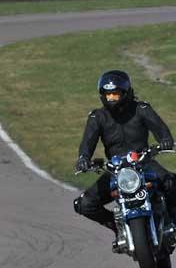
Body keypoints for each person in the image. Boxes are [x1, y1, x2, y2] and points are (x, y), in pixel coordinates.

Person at [74, 70, 176, 237]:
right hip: (116, 170)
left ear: (126, 92)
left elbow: (160, 129)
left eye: (115, 94)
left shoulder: (141, 109)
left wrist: (165, 140)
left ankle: (172, 222)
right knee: (84, 204)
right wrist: (83, 158)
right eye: (108, 95)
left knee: (171, 183)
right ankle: (119, 228)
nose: (111, 98)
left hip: (144, 162)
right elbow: (88, 142)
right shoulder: (97, 117)